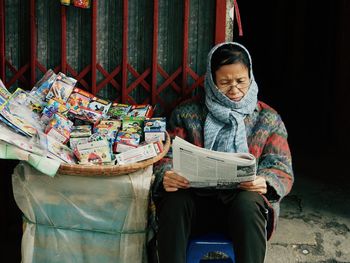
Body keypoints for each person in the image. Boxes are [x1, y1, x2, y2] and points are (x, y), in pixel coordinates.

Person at [151, 42, 294, 263]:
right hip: (197, 208)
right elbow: (165, 156)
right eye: (225, 83)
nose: (234, 89)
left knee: (249, 202)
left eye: (240, 81)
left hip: (242, 211)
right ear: (211, 81)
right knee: (175, 201)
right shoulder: (186, 113)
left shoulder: (268, 118)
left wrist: (265, 181)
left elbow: (281, 165)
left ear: (250, 77)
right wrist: (167, 175)